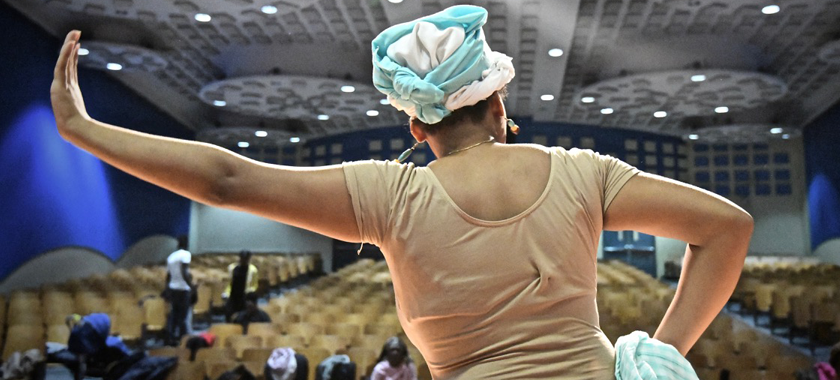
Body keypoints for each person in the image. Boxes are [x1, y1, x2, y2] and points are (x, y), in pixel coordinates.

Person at [50, 5, 754, 379]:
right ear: (498, 102)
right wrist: (662, 355)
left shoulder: (391, 195)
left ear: (415, 124)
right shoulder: (584, 171)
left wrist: (86, 131)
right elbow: (728, 227)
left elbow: (226, 178)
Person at [164, 235, 193, 346]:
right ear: (186, 243)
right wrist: (192, 286)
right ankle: (182, 339)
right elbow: (184, 271)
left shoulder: (171, 256)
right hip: (182, 288)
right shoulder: (186, 254)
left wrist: (167, 289)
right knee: (183, 316)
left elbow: (168, 275)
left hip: (173, 288)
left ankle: (170, 338)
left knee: (174, 315)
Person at [223, 250, 259, 321]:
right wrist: (226, 293)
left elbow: (254, 285)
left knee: (243, 318)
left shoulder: (253, 270)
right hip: (233, 297)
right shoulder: (233, 268)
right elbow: (230, 284)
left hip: (245, 297)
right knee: (229, 315)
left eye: (246, 258)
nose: (244, 260)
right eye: (242, 258)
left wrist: (249, 293)